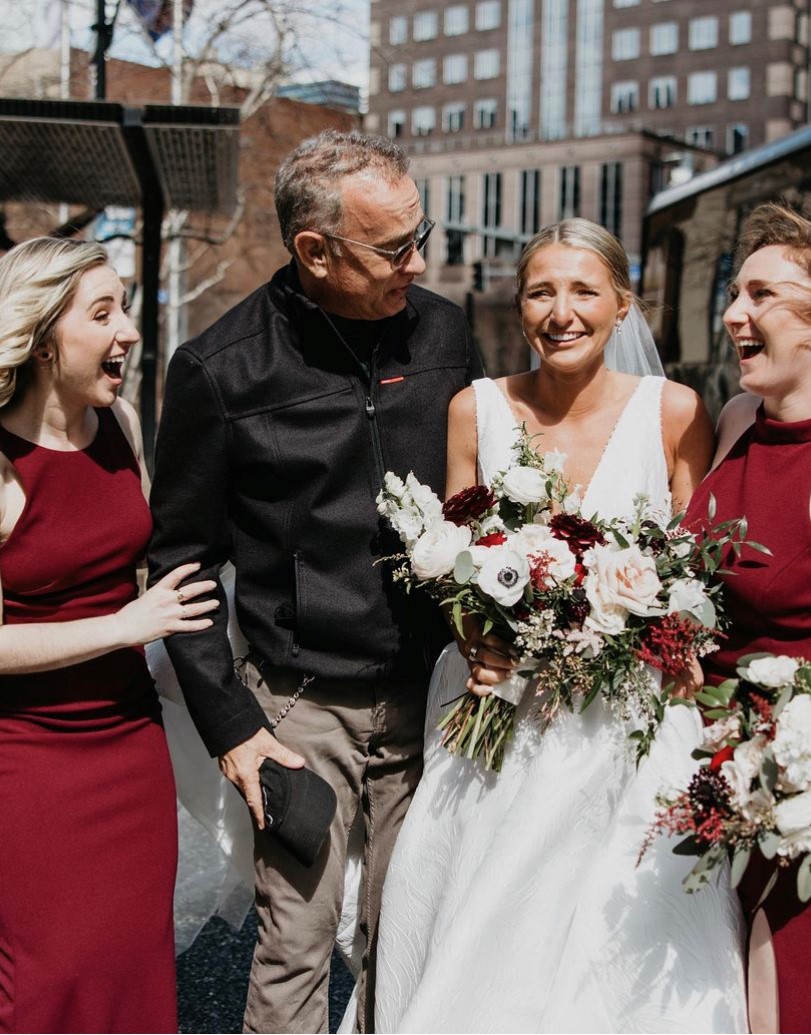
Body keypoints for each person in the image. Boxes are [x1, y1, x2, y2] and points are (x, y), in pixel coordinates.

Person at [367, 219, 748, 1034]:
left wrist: (669, 636)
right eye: (541, 291)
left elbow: (696, 570)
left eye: (583, 291)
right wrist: (476, 632)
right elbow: (449, 558)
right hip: (502, 708)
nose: (561, 311)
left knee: (621, 933)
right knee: (481, 915)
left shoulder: (676, 411)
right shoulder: (476, 409)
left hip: (631, 721)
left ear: (621, 306)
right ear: (520, 305)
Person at [147, 129, 482, 1034]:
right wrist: (234, 728)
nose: (420, 260)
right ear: (314, 251)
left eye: (422, 234)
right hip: (296, 709)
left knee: (407, 933)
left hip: (432, 698)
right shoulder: (220, 369)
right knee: (295, 945)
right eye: (394, 247)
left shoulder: (446, 330)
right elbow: (179, 565)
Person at [0, 237, 217, 1034]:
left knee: (131, 967)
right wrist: (124, 625)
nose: (127, 330)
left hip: (128, 747)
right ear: (43, 333)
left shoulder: (119, 420)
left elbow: (140, 563)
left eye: (124, 306)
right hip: (25, 762)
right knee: (47, 978)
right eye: (102, 312)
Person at [686, 202, 811, 1034]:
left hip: (792, 781)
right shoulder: (732, 423)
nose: (734, 314)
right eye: (734, 292)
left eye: (760, 294)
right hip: (702, 764)